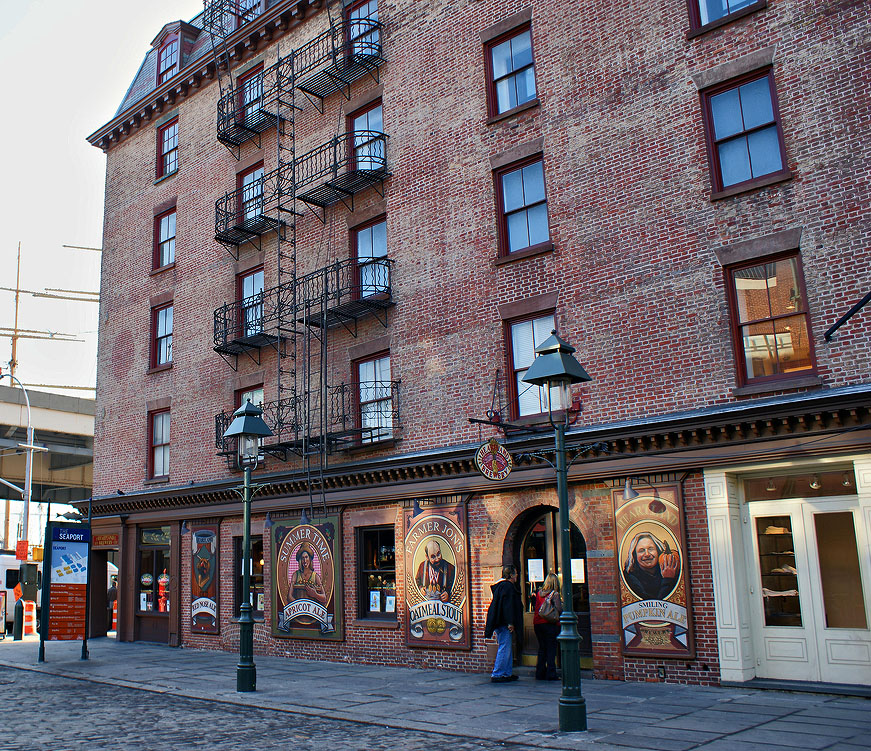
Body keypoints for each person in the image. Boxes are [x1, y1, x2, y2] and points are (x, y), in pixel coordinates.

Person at [484, 564, 523, 683]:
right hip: (504, 623)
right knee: (504, 647)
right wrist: (510, 622)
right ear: (510, 575)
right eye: (515, 573)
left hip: (500, 622)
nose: (517, 576)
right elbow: (508, 606)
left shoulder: (501, 586)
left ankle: (506, 672)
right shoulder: (507, 587)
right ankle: (498, 673)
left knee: (507, 647)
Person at [623, 532, 679, 601]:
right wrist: (668, 579)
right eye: (641, 550)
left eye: (651, 549)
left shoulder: (671, 569)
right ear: (634, 555)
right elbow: (655, 603)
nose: (647, 554)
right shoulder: (631, 578)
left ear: (658, 551)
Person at [533, 573, 561, 680]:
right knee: (551, 648)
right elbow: (559, 609)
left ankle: (540, 672)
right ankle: (551, 673)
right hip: (550, 624)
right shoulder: (555, 594)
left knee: (542, 648)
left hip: (537, 623)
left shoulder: (539, 593)